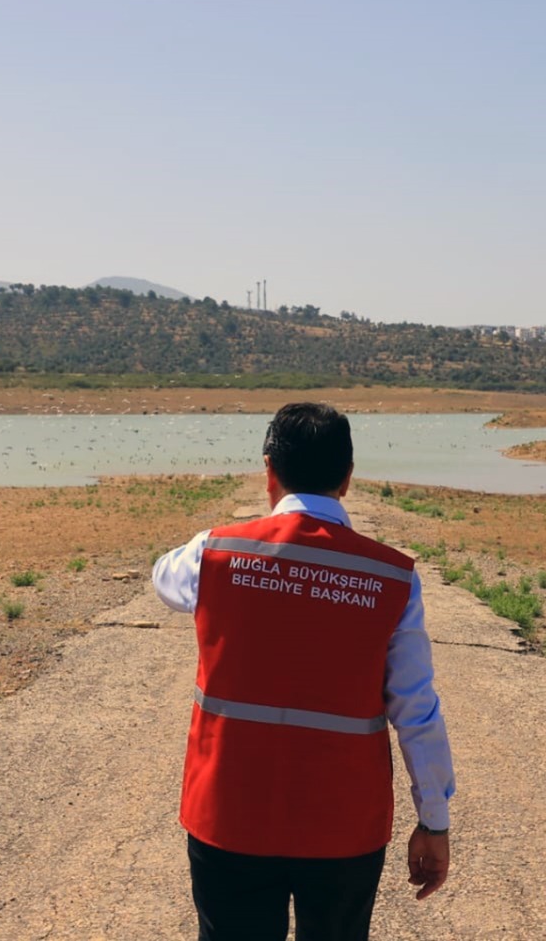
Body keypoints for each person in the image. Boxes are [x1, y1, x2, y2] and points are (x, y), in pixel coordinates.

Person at [153, 402, 456, 941]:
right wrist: (433, 820)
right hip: (343, 827)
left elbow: (164, 578)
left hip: (228, 814)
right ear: (348, 478)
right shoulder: (392, 578)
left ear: (268, 470)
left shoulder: (215, 552)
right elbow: (417, 709)